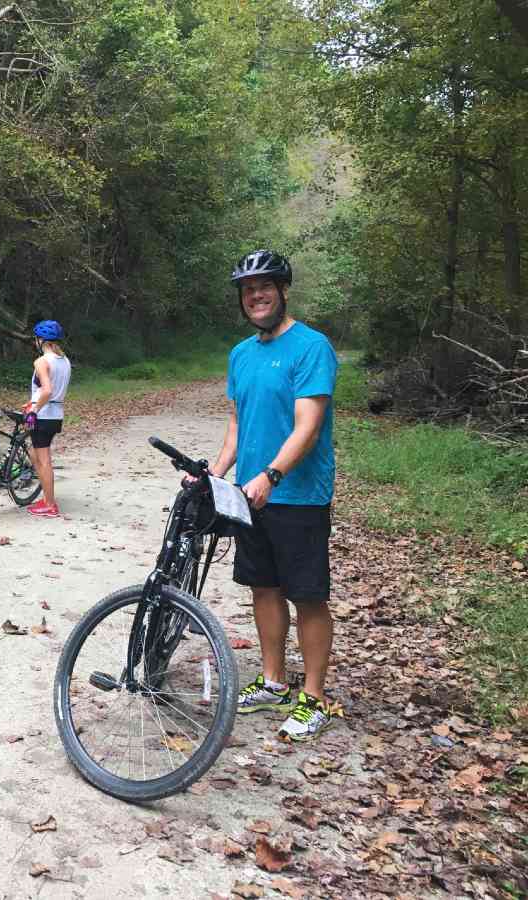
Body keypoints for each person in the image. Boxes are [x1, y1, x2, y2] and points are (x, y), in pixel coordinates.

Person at [206, 249, 338, 742]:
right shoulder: (241, 354)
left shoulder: (311, 347)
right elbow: (238, 425)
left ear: (283, 290)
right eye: (247, 290)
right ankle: (275, 681)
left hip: (298, 495)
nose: (255, 296)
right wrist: (216, 472)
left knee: (307, 595)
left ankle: (315, 697)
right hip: (251, 495)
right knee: (263, 587)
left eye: (264, 287)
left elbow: (308, 426)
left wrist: (272, 475)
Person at [23, 320, 71, 518]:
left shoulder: (42, 361)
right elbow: (50, 391)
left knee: (43, 461)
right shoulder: (65, 360)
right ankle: (45, 497)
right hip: (56, 414)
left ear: (40, 340)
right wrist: (33, 402)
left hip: (43, 416)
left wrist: (34, 409)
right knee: (35, 454)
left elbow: (47, 390)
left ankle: (49, 504)